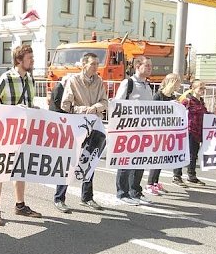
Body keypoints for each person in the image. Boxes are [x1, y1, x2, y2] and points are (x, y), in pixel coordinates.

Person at [0, 44, 42, 226]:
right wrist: (11, 111)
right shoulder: (6, 78)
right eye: (30, 58)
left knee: (21, 169)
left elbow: (30, 103)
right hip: (5, 132)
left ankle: (20, 206)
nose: (32, 61)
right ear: (19, 60)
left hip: (23, 132)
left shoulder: (30, 80)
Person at [54, 53, 107, 213]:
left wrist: (96, 108)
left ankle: (87, 197)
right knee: (70, 162)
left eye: (97, 63)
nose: (96, 66)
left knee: (90, 160)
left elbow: (105, 101)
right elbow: (66, 105)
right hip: (77, 126)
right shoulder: (73, 81)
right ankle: (59, 198)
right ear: (84, 65)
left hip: (94, 126)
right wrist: (85, 110)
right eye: (93, 64)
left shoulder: (99, 81)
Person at [114, 56, 154, 206]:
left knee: (139, 161)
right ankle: (122, 192)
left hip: (143, 130)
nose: (150, 68)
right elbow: (118, 103)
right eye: (147, 65)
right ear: (138, 66)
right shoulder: (128, 83)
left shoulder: (147, 85)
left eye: (150, 66)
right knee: (125, 162)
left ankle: (135, 191)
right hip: (129, 129)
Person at [146, 73, 181, 195]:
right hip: (157, 131)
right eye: (178, 82)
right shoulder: (158, 96)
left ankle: (155, 181)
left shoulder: (172, 97)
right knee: (157, 157)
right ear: (172, 82)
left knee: (162, 158)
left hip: (167, 131)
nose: (179, 85)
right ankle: (150, 183)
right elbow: (152, 112)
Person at [172, 79, 208, 187]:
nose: (202, 90)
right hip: (188, 130)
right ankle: (177, 176)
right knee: (183, 153)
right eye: (200, 88)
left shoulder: (201, 101)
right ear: (193, 89)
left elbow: (205, 113)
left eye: (204, 88)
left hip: (197, 131)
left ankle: (191, 175)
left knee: (193, 155)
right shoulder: (188, 101)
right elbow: (178, 111)